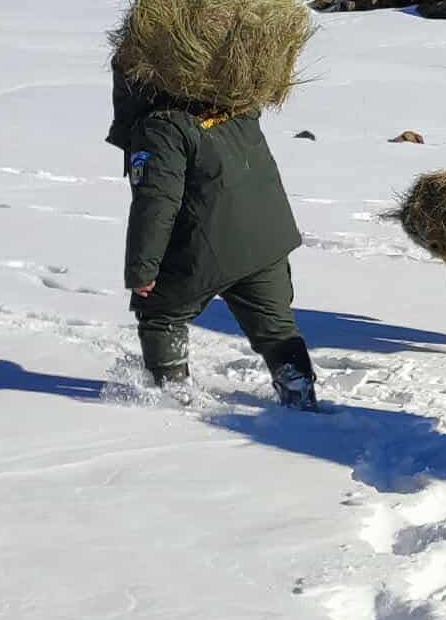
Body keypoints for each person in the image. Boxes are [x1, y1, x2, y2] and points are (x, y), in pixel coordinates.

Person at [113, 77, 317, 408]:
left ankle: (171, 398)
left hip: (208, 248)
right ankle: (302, 400)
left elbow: (156, 203)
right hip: (268, 240)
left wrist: (142, 269)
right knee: (277, 329)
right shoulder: (237, 103)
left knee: (160, 313)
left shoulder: (160, 126)